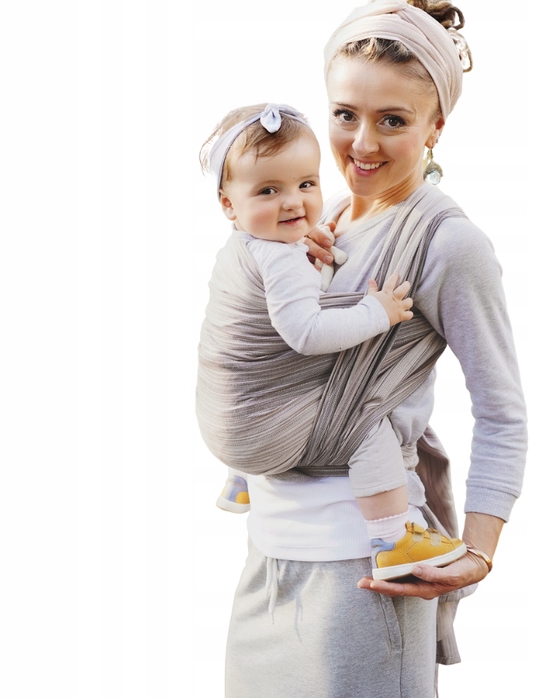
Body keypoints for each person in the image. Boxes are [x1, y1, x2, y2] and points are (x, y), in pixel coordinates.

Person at [221, 0, 528, 698]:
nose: (361, 144)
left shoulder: (449, 245)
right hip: (267, 561)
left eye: (392, 120)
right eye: (345, 115)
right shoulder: (314, 219)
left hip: (361, 581)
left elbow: (502, 411)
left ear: (436, 126)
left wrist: (480, 551)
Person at [196, 102, 467, 580]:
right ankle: (392, 538)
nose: (293, 203)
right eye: (268, 190)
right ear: (228, 204)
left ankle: (240, 481)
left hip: (223, 420)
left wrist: (306, 244)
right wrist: (377, 312)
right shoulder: (281, 259)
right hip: (259, 433)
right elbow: (307, 334)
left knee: (261, 372)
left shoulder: (243, 247)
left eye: (306, 184)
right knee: (364, 418)